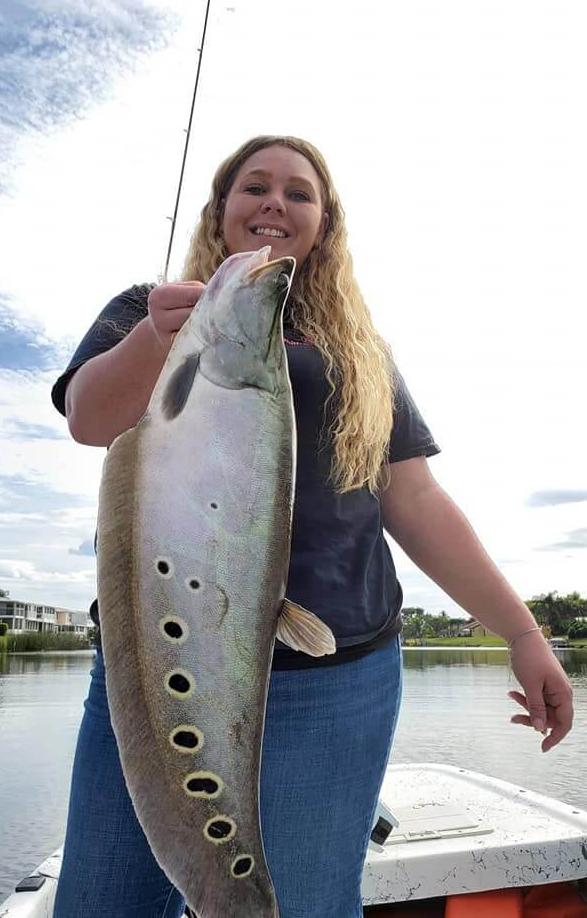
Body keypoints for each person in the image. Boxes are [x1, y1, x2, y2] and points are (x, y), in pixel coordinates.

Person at [50, 135, 574, 918]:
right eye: (254, 187)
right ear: (220, 209)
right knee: (105, 903)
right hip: (160, 659)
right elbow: (90, 418)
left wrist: (523, 633)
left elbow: (415, 501)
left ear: (324, 224)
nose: (275, 202)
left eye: (299, 193)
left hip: (339, 674)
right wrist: (153, 340)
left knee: (304, 902)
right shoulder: (149, 311)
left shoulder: (362, 352)